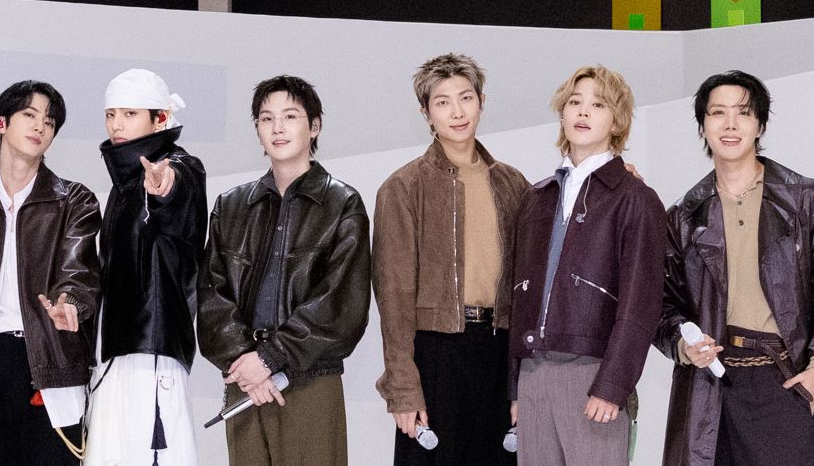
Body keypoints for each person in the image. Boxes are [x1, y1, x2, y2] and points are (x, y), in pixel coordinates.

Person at [658, 70, 814, 466]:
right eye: (717, 113)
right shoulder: (683, 216)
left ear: (760, 125)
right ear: (703, 126)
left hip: (784, 377)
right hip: (710, 387)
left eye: (743, 112)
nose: (730, 124)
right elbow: (662, 305)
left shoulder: (804, 199)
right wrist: (684, 346)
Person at [198, 75, 371, 466]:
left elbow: (342, 302)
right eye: (266, 118)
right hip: (243, 379)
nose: (277, 128)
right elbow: (211, 294)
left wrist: (271, 358)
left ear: (315, 126)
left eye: (290, 116)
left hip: (310, 377)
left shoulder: (342, 204)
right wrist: (248, 361)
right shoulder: (230, 206)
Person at [373, 53, 528, 465]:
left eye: (466, 98)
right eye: (442, 102)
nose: (457, 112)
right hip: (435, 356)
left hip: (499, 352)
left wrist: (522, 382)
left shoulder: (514, 185)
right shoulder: (403, 187)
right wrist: (403, 390)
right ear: (426, 113)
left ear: (481, 102)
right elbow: (393, 297)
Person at [505, 65, 664, 465]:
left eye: (598, 105)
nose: (583, 111)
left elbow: (641, 304)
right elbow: (515, 297)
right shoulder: (535, 198)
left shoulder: (635, 199)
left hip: (593, 373)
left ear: (617, 121)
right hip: (533, 373)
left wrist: (613, 385)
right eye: (574, 102)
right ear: (561, 114)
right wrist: (515, 387)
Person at [0, 80, 101, 465]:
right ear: (1, 123)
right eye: (29, 115)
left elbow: (79, 270)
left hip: (49, 361)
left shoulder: (74, 200)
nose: (40, 126)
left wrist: (70, 304)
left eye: (50, 121)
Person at [61, 68, 207, 466]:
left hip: (151, 354)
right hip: (117, 352)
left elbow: (176, 190)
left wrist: (164, 188)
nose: (116, 124)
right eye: (111, 114)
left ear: (160, 119)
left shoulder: (179, 165)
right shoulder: (123, 185)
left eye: (129, 114)